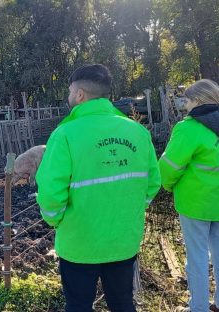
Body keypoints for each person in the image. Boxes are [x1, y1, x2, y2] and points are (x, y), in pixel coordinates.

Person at [36, 64, 161, 312]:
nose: (69, 96)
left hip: (79, 243)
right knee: (123, 302)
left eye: (71, 91)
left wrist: (55, 221)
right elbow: (152, 182)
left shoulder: (65, 135)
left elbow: (51, 194)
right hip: (123, 240)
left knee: (79, 305)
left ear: (80, 94)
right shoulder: (137, 131)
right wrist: (129, 210)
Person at [159, 79, 219, 312]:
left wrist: (167, 185)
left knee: (197, 258)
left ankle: (199, 307)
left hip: (195, 204)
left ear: (198, 100)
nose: (185, 104)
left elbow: (170, 167)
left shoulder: (188, 128)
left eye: (188, 99)